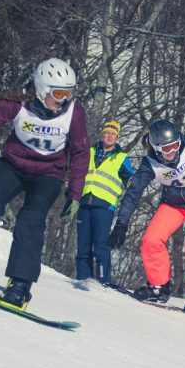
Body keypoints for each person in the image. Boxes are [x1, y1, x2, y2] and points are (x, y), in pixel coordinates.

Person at [0, 57, 90, 311]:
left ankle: (19, 286)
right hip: (12, 166)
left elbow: (81, 153)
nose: (64, 100)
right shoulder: (18, 101)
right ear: (41, 90)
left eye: (70, 93)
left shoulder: (74, 113)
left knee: (30, 222)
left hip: (48, 175)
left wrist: (74, 193)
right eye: (59, 93)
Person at [107, 119, 185, 315]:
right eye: (166, 150)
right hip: (173, 204)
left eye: (175, 146)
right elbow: (133, 193)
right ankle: (159, 286)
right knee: (151, 240)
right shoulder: (149, 164)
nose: (173, 152)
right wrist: (121, 224)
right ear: (156, 148)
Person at [76, 120, 133, 284]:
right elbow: (78, 170)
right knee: (83, 245)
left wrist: (131, 182)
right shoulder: (91, 151)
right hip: (86, 201)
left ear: (117, 137)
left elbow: (129, 177)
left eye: (113, 134)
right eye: (107, 133)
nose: (109, 136)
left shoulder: (121, 157)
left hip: (105, 206)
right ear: (103, 134)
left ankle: (103, 280)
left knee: (100, 244)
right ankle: (82, 278)